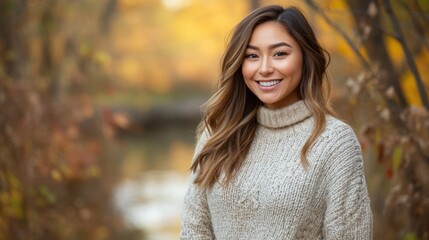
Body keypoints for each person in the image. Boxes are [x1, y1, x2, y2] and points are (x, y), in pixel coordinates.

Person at [180, 5, 372, 239]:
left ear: (305, 57)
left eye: (280, 54)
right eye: (252, 56)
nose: (264, 68)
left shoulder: (335, 142)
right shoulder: (219, 132)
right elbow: (194, 229)